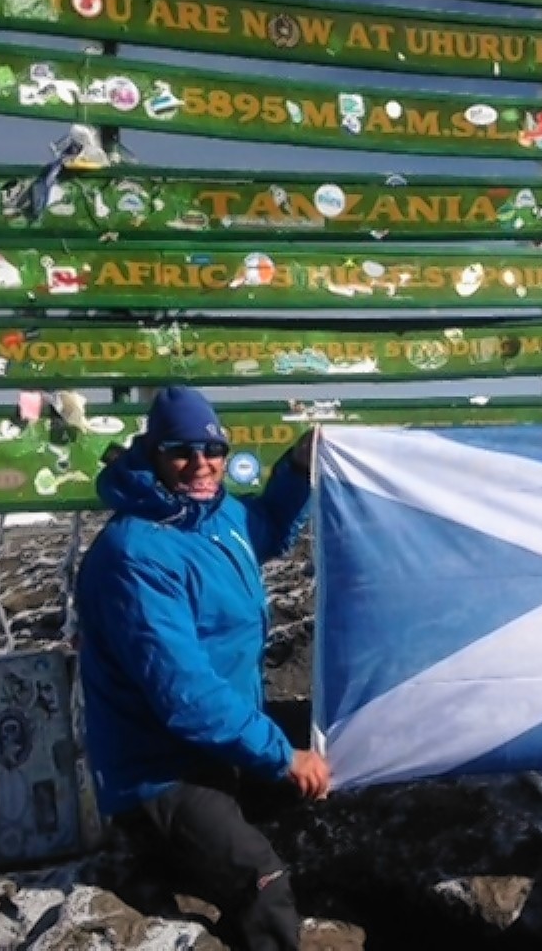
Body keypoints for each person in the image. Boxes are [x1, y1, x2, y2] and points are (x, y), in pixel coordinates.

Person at [75, 385, 330, 951]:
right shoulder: (133, 554)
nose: (201, 464)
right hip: (160, 771)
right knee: (261, 883)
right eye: (181, 451)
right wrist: (283, 756)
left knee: (336, 757)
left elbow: (264, 528)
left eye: (212, 450)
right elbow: (185, 696)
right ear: (153, 454)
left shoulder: (215, 515)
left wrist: (296, 466)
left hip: (219, 744)